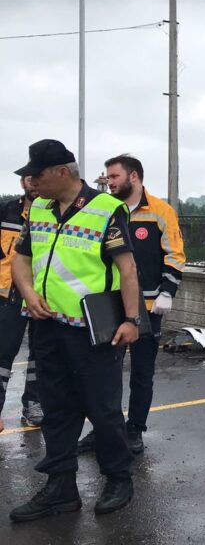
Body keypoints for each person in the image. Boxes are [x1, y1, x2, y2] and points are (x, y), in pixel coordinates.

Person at [9, 139, 140, 521]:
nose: (31, 181)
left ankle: (118, 479)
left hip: (92, 331)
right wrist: (29, 293)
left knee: (103, 410)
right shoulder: (40, 209)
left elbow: (128, 269)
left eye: (37, 174)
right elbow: (20, 258)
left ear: (62, 172)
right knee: (56, 411)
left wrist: (131, 320)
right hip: (48, 327)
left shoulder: (106, 209)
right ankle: (61, 487)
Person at [78, 155, 185, 455]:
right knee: (102, 373)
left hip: (148, 306)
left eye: (114, 177)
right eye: (108, 178)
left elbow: (175, 254)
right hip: (109, 304)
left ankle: (135, 428)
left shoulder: (161, 212)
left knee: (141, 371)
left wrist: (168, 291)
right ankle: (103, 429)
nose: (109, 182)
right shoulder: (106, 211)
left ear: (134, 177)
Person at [0, 176, 43, 432]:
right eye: (30, 180)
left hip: (41, 294)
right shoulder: (6, 211)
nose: (35, 184)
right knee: (3, 354)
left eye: (39, 179)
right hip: (9, 296)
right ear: (22, 184)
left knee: (39, 355)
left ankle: (34, 403)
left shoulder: (52, 214)